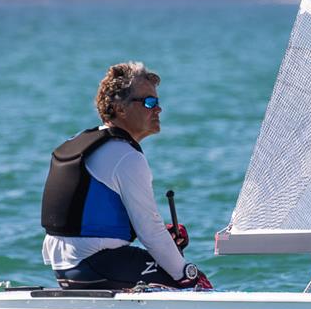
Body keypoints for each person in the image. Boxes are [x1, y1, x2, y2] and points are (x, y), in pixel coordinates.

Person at [40, 61, 212, 290]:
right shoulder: (126, 156)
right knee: (194, 283)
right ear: (120, 109)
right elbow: (149, 231)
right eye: (149, 102)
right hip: (97, 263)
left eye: (158, 102)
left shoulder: (87, 141)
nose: (158, 109)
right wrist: (187, 275)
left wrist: (166, 238)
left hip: (67, 267)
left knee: (167, 262)